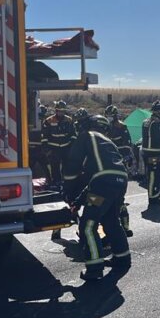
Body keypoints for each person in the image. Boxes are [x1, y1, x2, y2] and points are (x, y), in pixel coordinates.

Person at [63, 115, 131, 281]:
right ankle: (122, 258)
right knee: (111, 221)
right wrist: (78, 202)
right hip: (119, 183)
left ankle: (95, 268)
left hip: (103, 186)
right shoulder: (108, 143)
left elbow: (73, 164)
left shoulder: (87, 136)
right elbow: (94, 183)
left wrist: (68, 191)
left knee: (88, 226)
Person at [41, 100, 77, 186]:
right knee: (54, 167)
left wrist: (71, 146)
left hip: (66, 148)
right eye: (59, 111)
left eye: (62, 111)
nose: (61, 113)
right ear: (56, 110)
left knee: (66, 166)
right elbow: (44, 136)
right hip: (54, 149)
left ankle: (66, 182)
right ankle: (56, 182)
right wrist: (47, 149)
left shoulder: (69, 120)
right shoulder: (49, 121)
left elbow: (73, 134)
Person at [142, 100, 160, 206]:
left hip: (147, 152)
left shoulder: (146, 121)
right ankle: (153, 199)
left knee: (153, 175)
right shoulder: (157, 123)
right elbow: (159, 138)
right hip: (154, 153)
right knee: (154, 175)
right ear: (159, 111)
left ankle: (156, 193)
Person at [105, 105, 138, 177]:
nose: (109, 117)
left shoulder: (121, 126)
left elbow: (127, 142)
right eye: (107, 115)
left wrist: (126, 156)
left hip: (120, 153)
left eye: (111, 115)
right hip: (109, 153)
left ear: (115, 116)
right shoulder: (106, 126)